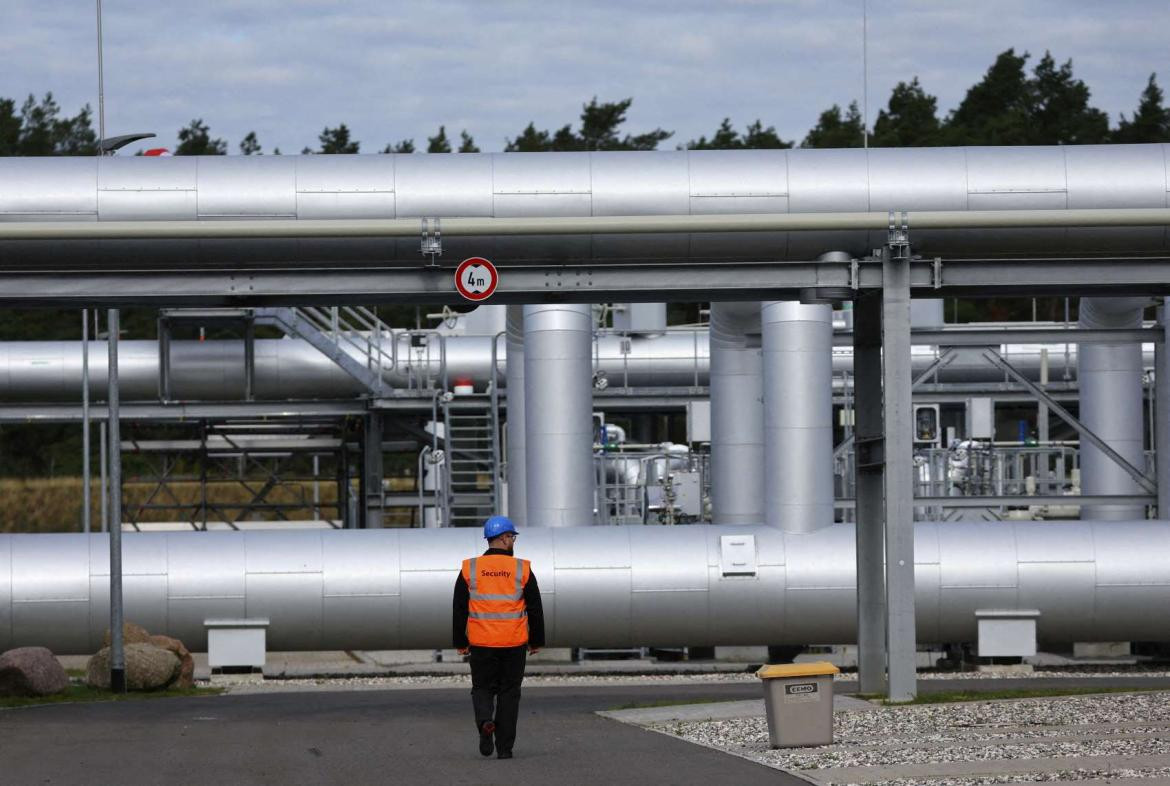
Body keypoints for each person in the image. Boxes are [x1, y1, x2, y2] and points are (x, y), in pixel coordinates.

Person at [452, 515, 545, 760]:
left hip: (481, 642)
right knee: (509, 694)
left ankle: (484, 722)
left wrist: (460, 642)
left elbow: (459, 607)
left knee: (482, 688)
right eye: (512, 537)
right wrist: (536, 640)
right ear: (504, 538)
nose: (513, 541)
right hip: (513, 643)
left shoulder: (469, 568)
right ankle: (504, 749)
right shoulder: (522, 568)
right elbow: (534, 607)